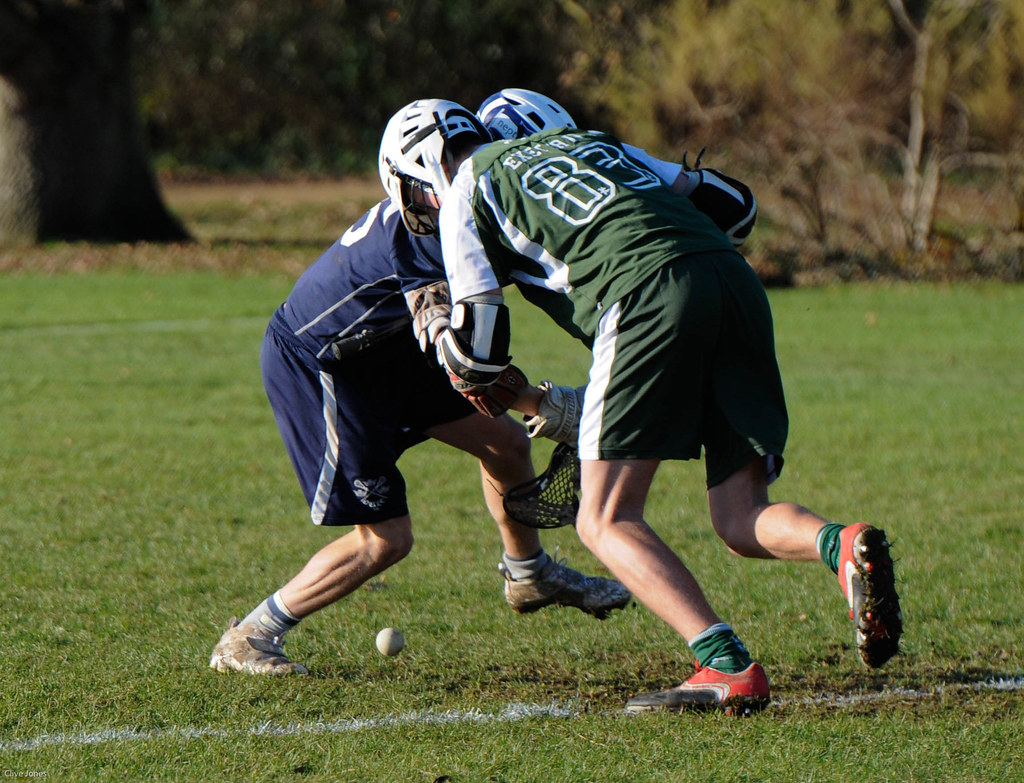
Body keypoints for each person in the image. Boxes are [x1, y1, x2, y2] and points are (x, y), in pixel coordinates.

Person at [377, 96, 903, 714]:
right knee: (739, 517)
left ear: (420, 176)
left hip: (644, 296)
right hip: (732, 280)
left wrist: (446, 342)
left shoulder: (467, 186)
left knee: (603, 517)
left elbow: (482, 346)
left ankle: (725, 666)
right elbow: (735, 208)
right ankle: (843, 544)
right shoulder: (598, 145)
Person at [208, 104, 630, 676]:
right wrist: (547, 404)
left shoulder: (470, 207)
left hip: (387, 349)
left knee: (505, 445)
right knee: (385, 539)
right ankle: (250, 635)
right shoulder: (423, 237)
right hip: (326, 362)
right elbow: (462, 360)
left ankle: (528, 576)